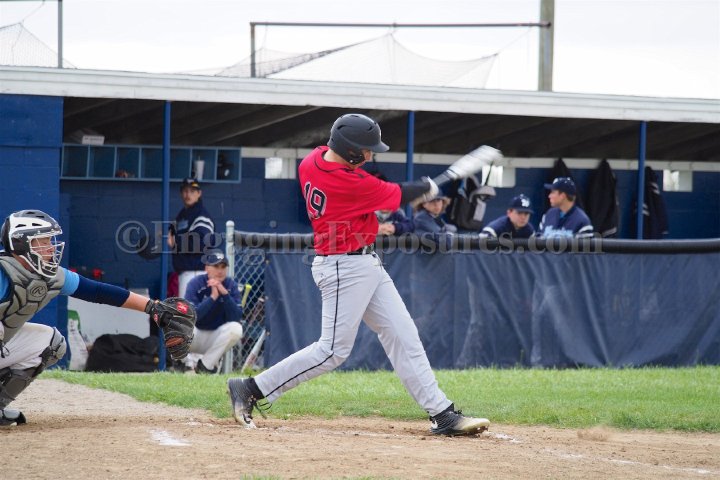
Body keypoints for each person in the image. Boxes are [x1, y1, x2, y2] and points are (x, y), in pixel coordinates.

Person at [227, 112, 490, 436]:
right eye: (366, 150)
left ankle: (442, 413)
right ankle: (251, 388)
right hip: (344, 267)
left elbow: (383, 197)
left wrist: (405, 197)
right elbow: (397, 194)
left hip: (362, 262)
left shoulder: (311, 161)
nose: (370, 156)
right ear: (349, 150)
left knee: (403, 335)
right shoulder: (349, 183)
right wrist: (428, 187)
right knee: (332, 351)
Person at [0, 210, 185, 426]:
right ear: (21, 244)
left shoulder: (52, 275)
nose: (51, 247)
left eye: (50, 240)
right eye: (43, 241)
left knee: (52, 344)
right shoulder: (3, 271)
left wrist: (152, 307)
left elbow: (98, 291)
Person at [183, 251, 244, 374]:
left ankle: (206, 366)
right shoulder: (195, 283)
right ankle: (183, 364)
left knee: (236, 328)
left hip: (215, 338)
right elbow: (193, 316)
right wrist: (212, 298)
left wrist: (225, 294)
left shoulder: (231, 285)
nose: (220, 271)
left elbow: (236, 317)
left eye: (223, 267)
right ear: (207, 268)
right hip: (195, 336)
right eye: (216, 266)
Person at [168, 178, 215, 297]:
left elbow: (202, 243)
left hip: (196, 272)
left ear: (199, 193)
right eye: (185, 191)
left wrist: (176, 241)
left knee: (190, 308)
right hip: (184, 272)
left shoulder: (201, 215)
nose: (188, 195)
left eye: (192, 191)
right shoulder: (183, 215)